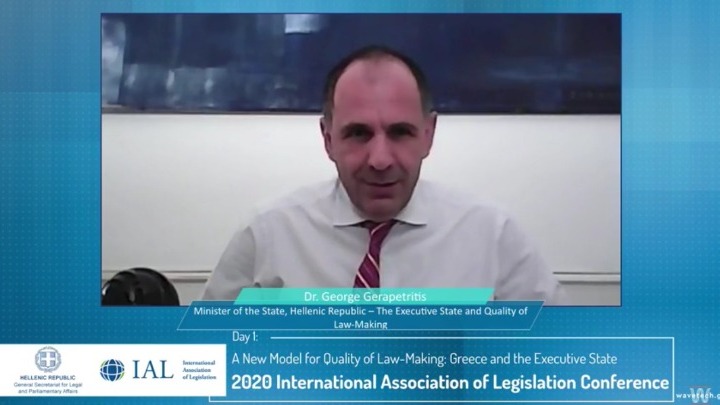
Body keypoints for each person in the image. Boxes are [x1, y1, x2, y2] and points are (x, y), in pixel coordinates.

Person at [201, 45, 566, 305]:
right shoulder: (268, 234)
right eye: (358, 134)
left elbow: (564, 359)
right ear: (328, 139)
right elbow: (201, 363)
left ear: (428, 135)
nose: (380, 160)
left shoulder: (492, 236)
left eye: (400, 132)